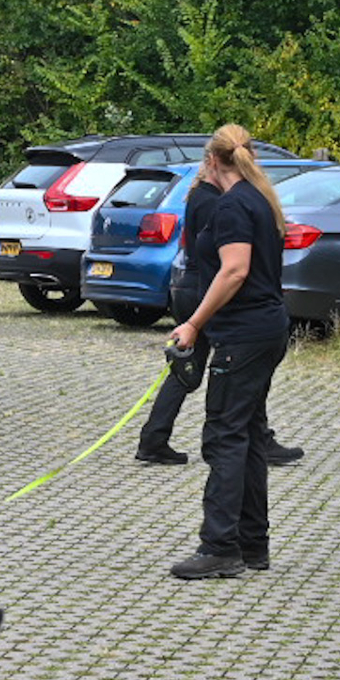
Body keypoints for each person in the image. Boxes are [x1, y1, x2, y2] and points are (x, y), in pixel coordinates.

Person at [167, 125, 290, 579]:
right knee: (250, 432)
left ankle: (220, 546)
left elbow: (234, 271)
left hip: (244, 334)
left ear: (213, 161)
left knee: (224, 437)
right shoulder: (260, 198)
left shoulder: (235, 206)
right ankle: (252, 543)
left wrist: (194, 324)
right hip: (264, 327)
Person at [136, 170, 303, 467]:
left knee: (190, 368)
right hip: (206, 291)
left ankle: (154, 437)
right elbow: (228, 260)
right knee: (230, 370)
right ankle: (257, 439)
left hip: (192, 285)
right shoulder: (221, 204)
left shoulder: (202, 195)